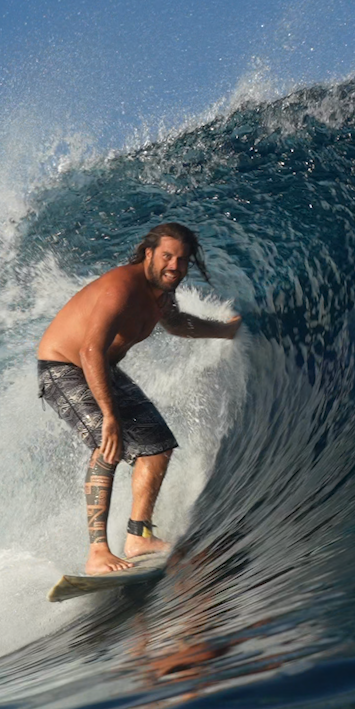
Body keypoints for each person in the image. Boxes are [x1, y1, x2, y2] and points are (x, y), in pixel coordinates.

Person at [37, 222, 241, 574]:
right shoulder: (121, 288)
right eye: (167, 256)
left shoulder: (160, 294)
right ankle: (98, 553)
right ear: (148, 254)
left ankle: (139, 537)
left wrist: (225, 331)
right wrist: (110, 417)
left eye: (182, 260)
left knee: (158, 446)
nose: (174, 266)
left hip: (101, 368)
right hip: (64, 367)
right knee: (107, 442)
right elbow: (89, 350)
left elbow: (175, 324)